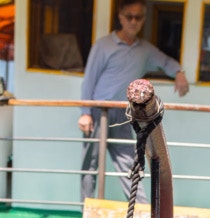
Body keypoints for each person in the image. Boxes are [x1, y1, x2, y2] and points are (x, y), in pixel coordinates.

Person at [78, 0, 189, 203]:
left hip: (123, 113)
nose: (133, 21)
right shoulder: (104, 45)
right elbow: (89, 80)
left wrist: (179, 72)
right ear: (121, 18)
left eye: (138, 17)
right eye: (129, 16)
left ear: (143, 19)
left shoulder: (144, 49)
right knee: (90, 163)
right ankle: (86, 210)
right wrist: (85, 112)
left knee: (128, 163)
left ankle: (140, 209)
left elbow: (165, 61)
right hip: (98, 111)